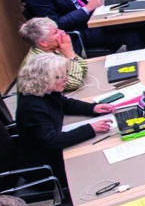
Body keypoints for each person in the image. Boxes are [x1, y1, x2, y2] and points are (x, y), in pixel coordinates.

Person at [13, 48, 123, 190]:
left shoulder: (46, 91)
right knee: (100, 165)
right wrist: (90, 129)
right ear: (45, 80)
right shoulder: (32, 108)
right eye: (61, 77)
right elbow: (52, 140)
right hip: (47, 168)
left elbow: (65, 103)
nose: (66, 79)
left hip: (54, 153)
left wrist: (92, 108)